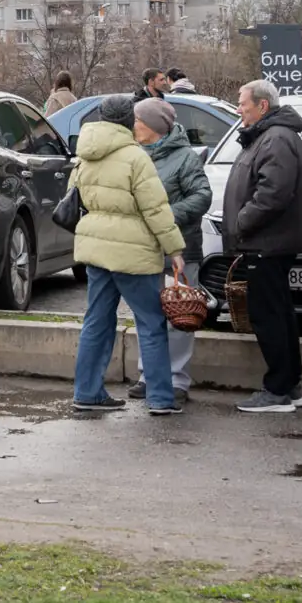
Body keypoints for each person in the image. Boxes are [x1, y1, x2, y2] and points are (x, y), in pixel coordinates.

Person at [70, 94, 186, 414]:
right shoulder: (135, 157)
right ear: (127, 121)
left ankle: (87, 392)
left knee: (96, 321)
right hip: (134, 253)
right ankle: (161, 398)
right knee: (150, 323)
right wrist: (173, 248)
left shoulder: (86, 152)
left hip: (96, 248)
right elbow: (156, 209)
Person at [224, 78, 302, 415]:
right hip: (267, 241)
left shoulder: (275, 139)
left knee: (268, 316)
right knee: (279, 313)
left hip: (267, 242)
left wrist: (242, 221)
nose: (238, 109)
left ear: (262, 106)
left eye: (243, 103)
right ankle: (290, 385)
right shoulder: (269, 136)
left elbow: (273, 194)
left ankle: (277, 390)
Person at [131, 98, 210, 403]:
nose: (133, 124)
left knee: (179, 317)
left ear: (152, 126)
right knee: (147, 315)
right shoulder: (135, 155)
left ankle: (176, 379)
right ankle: (148, 374)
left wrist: (166, 216)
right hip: (143, 250)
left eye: (138, 120)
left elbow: (202, 196)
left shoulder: (185, 158)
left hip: (181, 249)